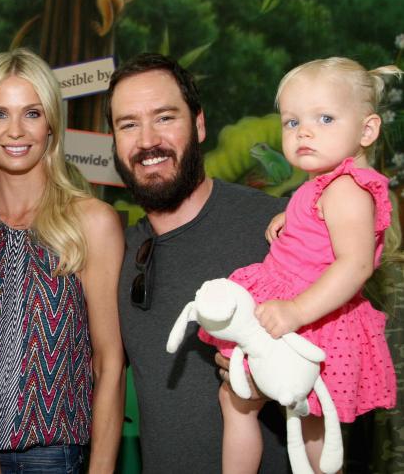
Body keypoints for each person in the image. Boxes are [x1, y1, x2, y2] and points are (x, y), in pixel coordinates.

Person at [198, 57, 399, 473]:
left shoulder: (348, 191)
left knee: (313, 425)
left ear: (367, 130)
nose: (304, 131)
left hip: (315, 317)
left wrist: (297, 311)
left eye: (324, 118)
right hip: (285, 306)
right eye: (292, 122)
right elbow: (319, 224)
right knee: (240, 399)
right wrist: (291, 215)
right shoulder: (324, 182)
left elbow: (355, 266)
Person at [0, 48, 126, 473]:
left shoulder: (90, 222)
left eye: (32, 113)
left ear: (52, 124)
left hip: (49, 457)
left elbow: (108, 361)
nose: (15, 131)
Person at [106, 52, 290, 473]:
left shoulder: (274, 228)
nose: (147, 139)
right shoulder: (117, 253)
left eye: (165, 117)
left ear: (200, 124)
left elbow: (346, 360)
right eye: (128, 124)